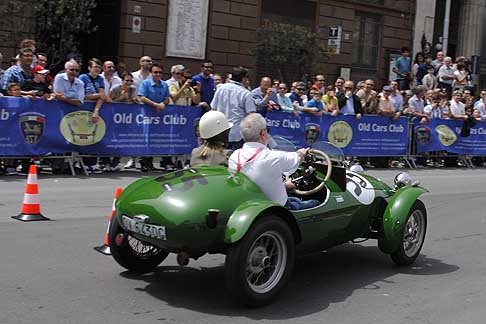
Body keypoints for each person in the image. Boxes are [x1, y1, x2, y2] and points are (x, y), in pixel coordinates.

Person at [228, 114, 320, 210]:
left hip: (248, 205)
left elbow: (257, 181)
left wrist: (284, 185)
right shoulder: (273, 157)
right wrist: (303, 152)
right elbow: (297, 157)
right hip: (277, 209)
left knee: (295, 199)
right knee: (316, 202)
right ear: (263, 134)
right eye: (267, 130)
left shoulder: (234, 156)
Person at [210, 66, 256, 150]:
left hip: (220, 131)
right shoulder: (245, 93)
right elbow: (251, 115)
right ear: (243, 78)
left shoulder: (220, 89)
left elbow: (213, 109)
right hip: (237, 134)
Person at [138, 63, 172, 171]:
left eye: (160, 72)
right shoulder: (145, 83)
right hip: (148, 115)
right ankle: (145, 162)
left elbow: (167, 98)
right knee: (147, 138)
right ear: (151, 73)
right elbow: (142, 97)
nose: (158, 74)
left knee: (160, 138)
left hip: (160, 116)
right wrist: (155, 105)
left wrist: (163, 104)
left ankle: (164, 162)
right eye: (155, 72)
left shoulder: (164, 84)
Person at [79, 58, 106, 123]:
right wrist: (98, 95)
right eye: (95, 67)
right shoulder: (82, 77)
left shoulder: (101, 79)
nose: (97, 69)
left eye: (99, 67)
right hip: (81, 107)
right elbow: (81, 96)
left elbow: (102, 97)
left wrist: (96, 111)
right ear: (89, 68)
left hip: (95, 107)